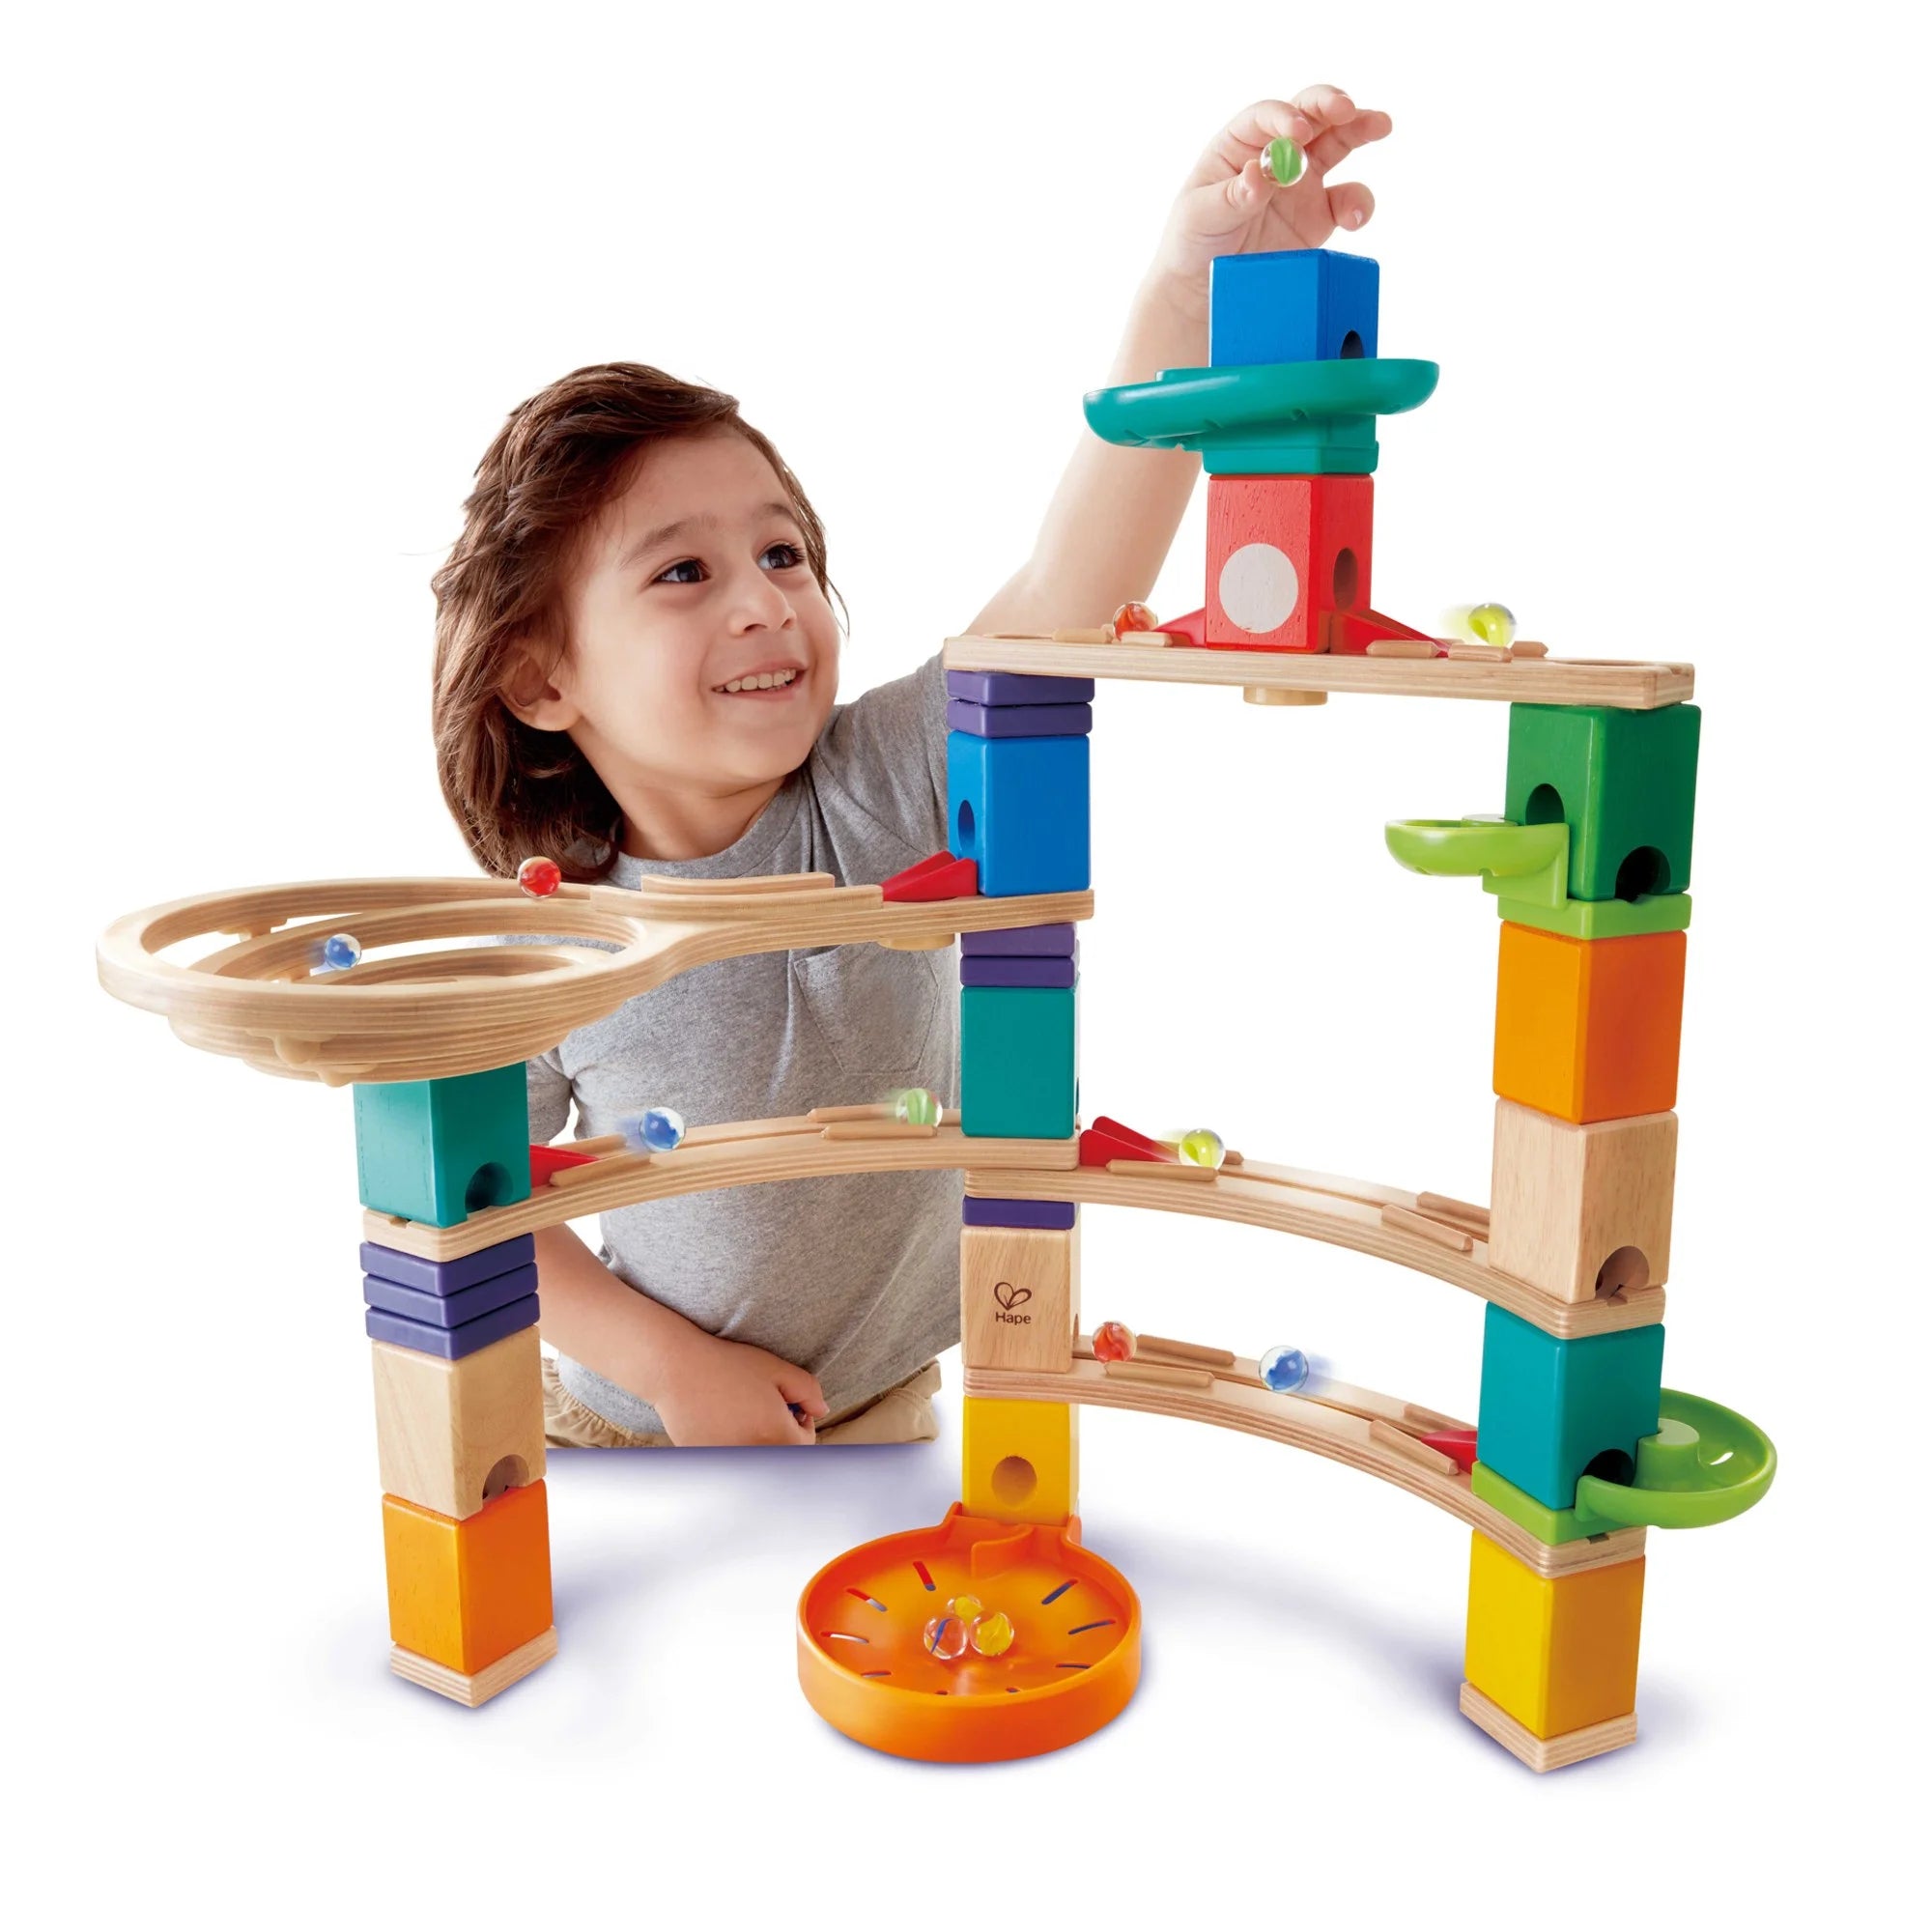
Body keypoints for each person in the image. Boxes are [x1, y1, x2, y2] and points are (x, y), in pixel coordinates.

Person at [428, 90, 1389, 1448]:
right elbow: (485, 1205)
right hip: (638, 1429)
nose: (765, 603)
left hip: (883, 1403)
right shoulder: (551, 939)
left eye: (783, 553)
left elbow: (1066, 587)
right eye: (683, 573)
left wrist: (1188, 301)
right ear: (541, 682)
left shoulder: (881, 781)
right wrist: (671, 1370)